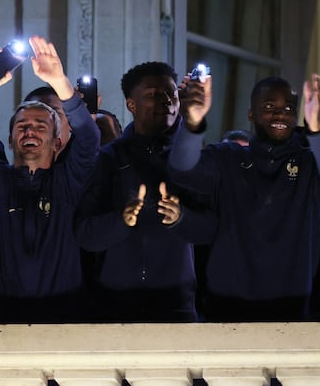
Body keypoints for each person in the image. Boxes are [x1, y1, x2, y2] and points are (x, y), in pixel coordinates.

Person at [167, 71, 320, 322]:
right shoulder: (228, 157)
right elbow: (182, 171)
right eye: (269, 107)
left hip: (292, 310)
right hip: (226, 308)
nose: (280, 114)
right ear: (251, 114)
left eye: (288, 108)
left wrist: (317, 128)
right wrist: (192, 124)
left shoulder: (309, 163)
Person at [0, 36, 99, 323]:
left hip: (62, 317)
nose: (30, 131)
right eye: (22, 125)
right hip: (0, 318)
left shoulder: (67, 183)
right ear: (9, 139)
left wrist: (60, 82)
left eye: (41, 126)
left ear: (57, 143)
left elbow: (90, 140)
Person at [75, 61, 216, 322]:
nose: (165, 100)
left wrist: (181, 218)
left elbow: (210, 229)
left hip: (177, 306)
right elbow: (86, 234)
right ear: (132, 105)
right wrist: (121, 220)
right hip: (115, 307)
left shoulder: (194, 159)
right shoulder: (109, 159)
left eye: (171, 93)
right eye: (152, 94)